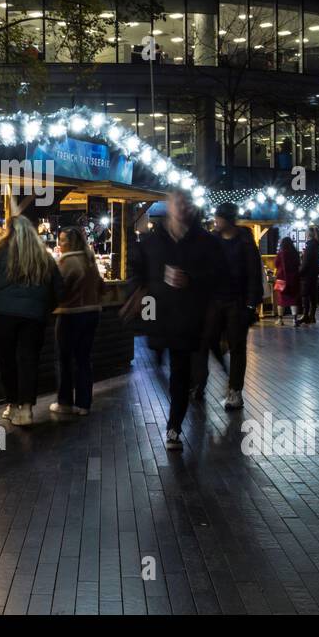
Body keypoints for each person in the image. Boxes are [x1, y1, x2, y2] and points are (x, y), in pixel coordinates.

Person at [122, 189, 218, 450]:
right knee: (166, 366)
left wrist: (192, 280)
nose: (182, 208)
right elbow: (136, 270)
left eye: (186, 203)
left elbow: (217, 278)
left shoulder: (205, 242)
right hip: (160, 319)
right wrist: (137, 292)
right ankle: (178, 412)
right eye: (178, 202)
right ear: (170, 206)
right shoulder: (153, 241)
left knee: (179, 372)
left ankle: (174, 426)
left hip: (188, 321)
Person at [0, 215, 62, 426]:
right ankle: (26, 410)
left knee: (7, 360)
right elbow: (59, 288)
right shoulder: (43, 255)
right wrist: (44, 308)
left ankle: (12, 405)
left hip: (2, 314)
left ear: (9, 230)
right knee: (29, 360)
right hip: (34, 317)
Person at [207, 202, 262, 410]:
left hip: (237, 302)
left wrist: (250, 305)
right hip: (215, 299)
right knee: (209, 338)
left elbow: (253, 274)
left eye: (218, 217)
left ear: (228, 220)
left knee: (238, 346)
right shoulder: (212, 240)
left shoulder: (245, 242)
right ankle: (228, 369)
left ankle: (235, 391)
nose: (215, 221)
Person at [49, 227, 103, 416]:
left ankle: (64, 402)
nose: (60, 244)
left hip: (70, 314)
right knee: (83, 359)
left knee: (64, 359)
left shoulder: (67, 262)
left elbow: (58, 289)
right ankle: (84, 404)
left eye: (63, 241)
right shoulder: (90, 260)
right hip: (92, 313)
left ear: (71, 243)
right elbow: (101, 286)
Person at [273, 236, 301, 325]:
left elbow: (276, 264)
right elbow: (298, 264)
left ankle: (280, 320)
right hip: (294, 280)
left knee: (281, 300)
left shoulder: (280, 254)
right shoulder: (295, 253)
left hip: (281, 280)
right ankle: (294, 320)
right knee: (293, 300)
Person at [298, 226, 319, 324]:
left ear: (309, 234)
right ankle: (311, 316)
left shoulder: (311, 245)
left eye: (306, 232)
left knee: (305, 295)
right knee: (312, 295)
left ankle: (305, 316)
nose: (305, 234)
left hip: (307, 275)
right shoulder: (316, 245)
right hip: (314, 274)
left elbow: (306, 263)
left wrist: (299, 272)